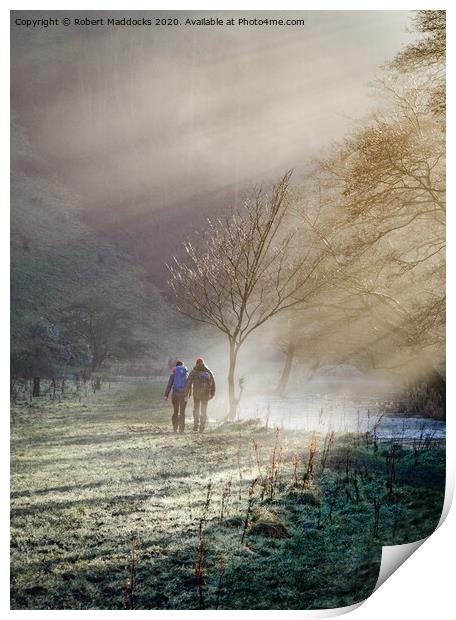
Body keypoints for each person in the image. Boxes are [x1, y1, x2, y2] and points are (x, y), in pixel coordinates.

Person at [185, 357, 216, 433]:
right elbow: (213, 384)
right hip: (206, 394)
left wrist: (186, 393)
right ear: (203, 363)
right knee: (204, 410)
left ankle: (196, 425)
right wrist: (212, 393)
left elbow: (188, 383)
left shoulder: (194, 372)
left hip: (196, 394)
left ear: (196, 363)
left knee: (196, 409)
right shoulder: (208, 372)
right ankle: (202, 427)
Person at [164, 361, 188, 434]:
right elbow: (189, 385)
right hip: (183, 395)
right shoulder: (186, 374)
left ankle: (175, 429)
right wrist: (188, 394)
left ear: (176, 366)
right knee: (182, 412)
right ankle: (181, 430)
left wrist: (166, 395)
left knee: (175, 411)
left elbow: (169, 385)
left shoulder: (173, 374)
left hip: (175, 394)